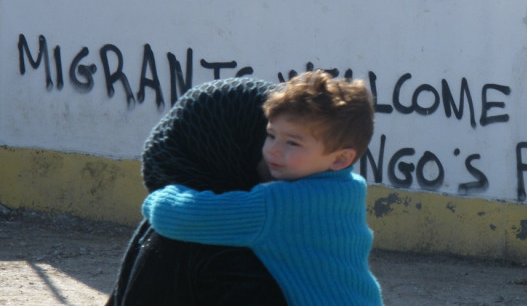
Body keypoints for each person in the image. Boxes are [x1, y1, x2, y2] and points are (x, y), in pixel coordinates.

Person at [141, 70, 383, 306]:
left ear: (340, 159)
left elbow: (180, 218)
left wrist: (159, 195)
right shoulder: (350, 188)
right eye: (270, 135)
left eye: (292, 143)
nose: (272, 150)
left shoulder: (278, 204)